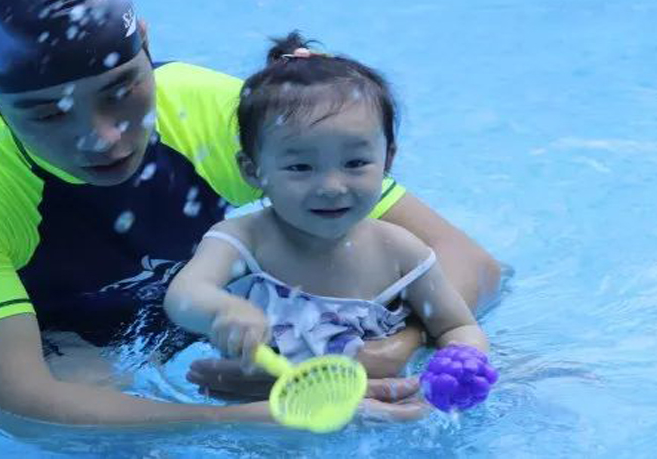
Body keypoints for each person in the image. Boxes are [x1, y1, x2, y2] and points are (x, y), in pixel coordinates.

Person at [0, 0, 501, 432]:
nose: (102, 138)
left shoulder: (204, 108)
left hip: (239, 340)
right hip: (90, 355)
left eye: (121, 90)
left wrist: (382, 352)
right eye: (48, 114)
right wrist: (246, 421)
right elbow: (17, 404)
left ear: (146, 44)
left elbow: (468, 262)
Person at [164, 34, 489, 374]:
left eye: (355, 163)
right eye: (300, 167)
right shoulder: (243, 241)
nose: (332, 187)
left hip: (379, 397)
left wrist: (463, 364)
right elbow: (184, 296)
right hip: (269, 401)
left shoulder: (400, 251)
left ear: (387, 161)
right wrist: (224, 310)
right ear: (252, 170)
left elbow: (457, 326)